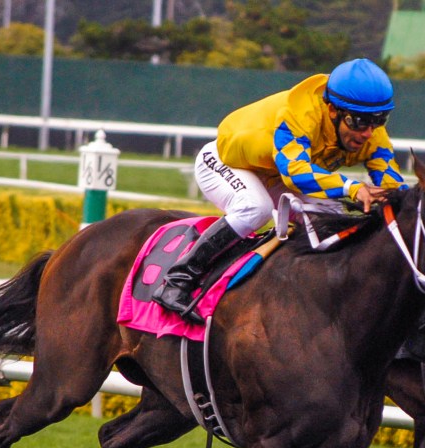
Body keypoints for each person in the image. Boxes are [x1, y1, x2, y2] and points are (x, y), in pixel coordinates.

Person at [153, 58, 407, 321]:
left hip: (275, 174)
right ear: (333, 110)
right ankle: (177, 279)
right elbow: (296, 173)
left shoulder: (371, 133)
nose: (367, 132)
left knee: (334, 215)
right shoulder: (299, 113)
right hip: (224, 162)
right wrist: (352, 187)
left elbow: (391, 182)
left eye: (378, 121)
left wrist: (415, 201)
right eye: (358, 122)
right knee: (256, 208)